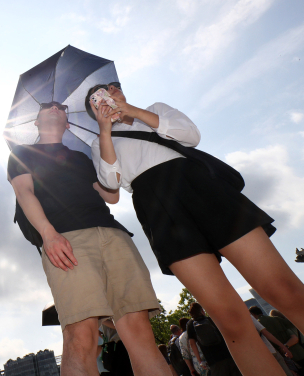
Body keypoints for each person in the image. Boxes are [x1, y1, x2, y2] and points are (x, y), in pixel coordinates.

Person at [88, 81, 304, 376]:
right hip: (157, 209)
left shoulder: (154, 110)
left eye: (112, 88)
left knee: (284, 290)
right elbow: (111, 183)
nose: (108, 95)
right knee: (229, 319)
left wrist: (132, 112)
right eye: (97, 97)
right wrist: (104, 132)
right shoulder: (99, 142)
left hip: (199, 188)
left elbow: (190, 136)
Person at [8, 101, 170, 376]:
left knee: (140, 331)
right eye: (47, 106)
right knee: (80, 334)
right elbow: (25, 193)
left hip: (113, 235)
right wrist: (49, 234)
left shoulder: (82, 158)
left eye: (61, 107)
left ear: (67, 123)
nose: (55, 107)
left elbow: (111, 195)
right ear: (36, 122)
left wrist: (105, 133)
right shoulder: (22, 153)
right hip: (67, 239)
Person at [187, 303, 241, 376]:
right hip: (228, 354)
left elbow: (192, 343)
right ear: (202, 310)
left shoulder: (190, 324)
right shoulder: (211, 319)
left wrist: (200, 360)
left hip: (213, 360)